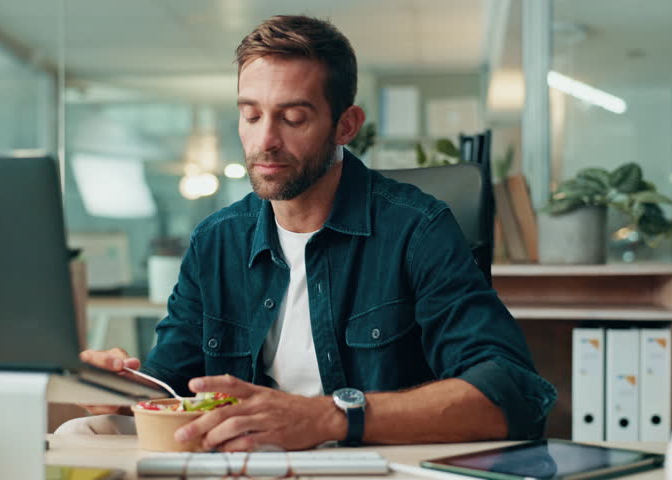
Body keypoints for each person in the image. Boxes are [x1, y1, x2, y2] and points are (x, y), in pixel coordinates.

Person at [61, 14, 556, 451]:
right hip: (249, 464)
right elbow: (171, 388)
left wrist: (328, 417)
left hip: (376, 466)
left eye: (293, 117)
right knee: (74, 439)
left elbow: (512, 392)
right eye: (250, 115)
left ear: (346, 126)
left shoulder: (417, 229)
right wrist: (119, 389)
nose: (265, 140)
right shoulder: (216, 243)